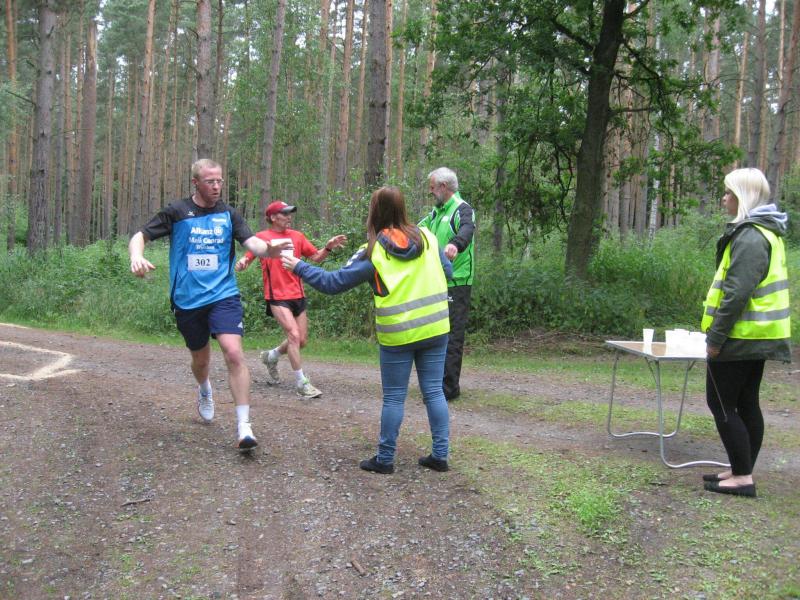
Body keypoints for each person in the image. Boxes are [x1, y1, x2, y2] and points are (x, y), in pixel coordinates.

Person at [282, 186, 453, 474]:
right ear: (403, 208)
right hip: (436, 328)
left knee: (394, 397)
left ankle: (385, 460)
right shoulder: (429, 237)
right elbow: (448, 272)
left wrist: (299, 266)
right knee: (434, 392)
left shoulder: (372, 252)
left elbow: (332, 283)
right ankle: (440, 455)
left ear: (374, 212)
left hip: (398, 334)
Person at [129, 158, 288, 451]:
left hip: (223, 294)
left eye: (219, 181)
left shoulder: (229, 214)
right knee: (200, 360)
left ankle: (244, 427)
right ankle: (204, 389)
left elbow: (252, 243)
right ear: (196, 183)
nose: (216, 187)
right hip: (187, 300)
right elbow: (140, 236)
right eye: (210, 181)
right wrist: (136, 256)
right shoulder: (177, 212)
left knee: (233, 353)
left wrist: (268, 250)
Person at [701, 168, 791, 498]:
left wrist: (716, 338)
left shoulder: (751, 236)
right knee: (746, 403)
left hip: (741, 337)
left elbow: (736, 294)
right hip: (758, 335)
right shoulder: (766, 232)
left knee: (721, 403)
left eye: (728, 192)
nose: (724, 198)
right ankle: (742, 469)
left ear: (743, 196)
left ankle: (742, 477)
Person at [235, 201, 347, 398]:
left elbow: (316, 257)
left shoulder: (297, 236)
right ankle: (302, 384)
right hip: (277, 296)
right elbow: (248, 257)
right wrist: (243, 262)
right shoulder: (262, 237)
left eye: (290, 213)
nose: (289, 217)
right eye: (285, 214)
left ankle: (271, 356)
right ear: (273, 217)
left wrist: (328, 247)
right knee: (293, 335)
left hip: (298, 294)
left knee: (301, 340)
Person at [420, 167, 475, 401]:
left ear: (444, 187)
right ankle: (434, 383)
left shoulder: (462, 209)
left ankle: (449, 388)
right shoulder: (435, 213)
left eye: (432, 187)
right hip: (436, 281)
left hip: (457, 281)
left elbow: (467, 229)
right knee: (434, 332)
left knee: (452, 335)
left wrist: (455, 244)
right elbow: (415, 230)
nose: (430, 191)